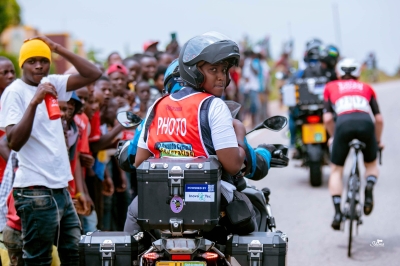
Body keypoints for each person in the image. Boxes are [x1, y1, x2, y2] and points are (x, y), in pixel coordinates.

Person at [124, 32, 274, 234]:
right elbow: (233, 165)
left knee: (134, 215)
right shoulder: (213, 106)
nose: (222, 76)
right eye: (213, 69)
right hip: (208, 199)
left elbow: (139, 162)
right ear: (193, 70)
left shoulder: (157, 106)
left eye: (224, 70)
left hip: (161, 200)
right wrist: (239, 133)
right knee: (250, 220)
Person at [0, 36, 101, 265]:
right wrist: (35, 102)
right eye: (32, 61)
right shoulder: (14, 92)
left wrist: (57, 48)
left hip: (61, 188)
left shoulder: (52, 82)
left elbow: (93, 74)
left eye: (44, 60)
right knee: (39, 259)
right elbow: (14, 141)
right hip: (35, 191)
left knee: (75, 253)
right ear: (22, 64)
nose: (38, 66)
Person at [323, 58, 384, 230]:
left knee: (336, 170)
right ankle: (369, 187)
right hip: (366, 123)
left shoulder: (331, 87)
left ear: (338, 72)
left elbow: (327, 118)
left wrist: (334, 136)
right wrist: (377, 141)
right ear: (358, 73)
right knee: (371, 164)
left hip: (343, 124)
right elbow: (379, 119)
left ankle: (337, 212)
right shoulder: (366, 87)